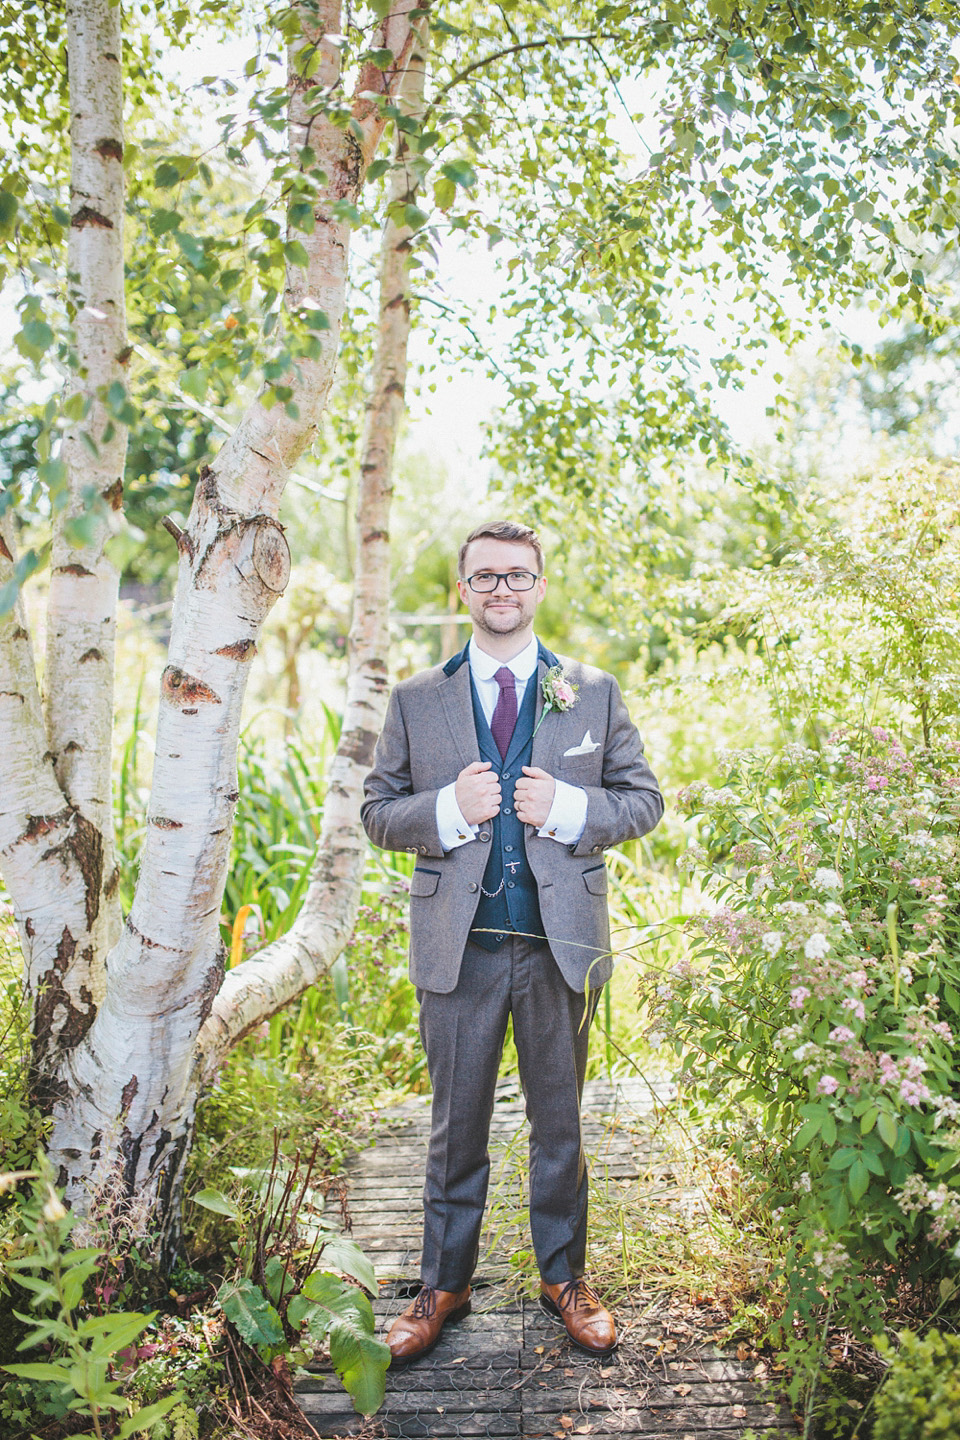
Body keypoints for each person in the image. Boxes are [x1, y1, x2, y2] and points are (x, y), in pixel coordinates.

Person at [361, 520, 663, 1365]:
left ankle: (564, 1278)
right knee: (454, 1126)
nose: (503, 590)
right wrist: (449, 810)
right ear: (463, 588)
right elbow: (377, 812)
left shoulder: (592, 691)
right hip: (460, 946)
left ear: (540, 586)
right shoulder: (417, 699)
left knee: (559, 1121)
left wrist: (567, 809)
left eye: (518, 576)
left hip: (560, 943)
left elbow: (643, 802)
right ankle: (442, 1284)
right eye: (486, 576)